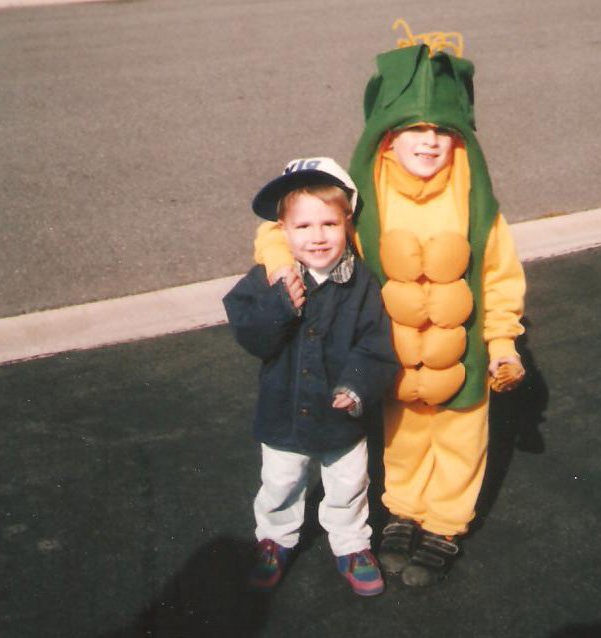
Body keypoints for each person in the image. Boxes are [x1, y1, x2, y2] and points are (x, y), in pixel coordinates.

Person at [253, 41, 527, 587]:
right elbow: (281, 227)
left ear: (460, 140)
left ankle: (444, 522)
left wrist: (502, 344)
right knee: (401, 434)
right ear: (388, 137)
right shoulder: (363, 196)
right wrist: (281, 262)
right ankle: (403, 509)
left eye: (442, 131)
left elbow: (499, 276)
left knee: (459, 438)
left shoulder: (476, 200)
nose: (429, 140)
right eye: (414, 128)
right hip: (392, 352)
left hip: (461, 354)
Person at [223, 157, 399, 596]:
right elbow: (251, 336)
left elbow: (376, 343)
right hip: (283, 410)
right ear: (282, 231)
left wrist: (356, 385)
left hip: (341, 416)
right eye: (303, 227)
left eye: (329, 224)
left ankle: (352, 543)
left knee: (348, 483)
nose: (317, 237)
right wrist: (281, 305)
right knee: (280, 481)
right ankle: (275, 538)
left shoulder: (361, 282)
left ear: (347, 226)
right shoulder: (269, 280)